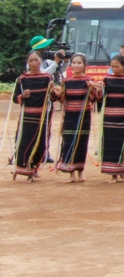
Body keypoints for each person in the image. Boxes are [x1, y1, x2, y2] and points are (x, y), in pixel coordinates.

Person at [52, 53, 100, 183]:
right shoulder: (66, 81)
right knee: (68, 142)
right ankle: (71, 173)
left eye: (79, 63)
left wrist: (92, 89)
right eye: (74, 63)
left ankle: (80, 172)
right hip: (69, 116)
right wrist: (58, 94)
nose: (76, 65)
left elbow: (93, 99)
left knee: (81, 143)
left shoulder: (89, 80)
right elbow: (62, 100)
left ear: (84, 65)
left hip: (83, 116)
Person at [11, 50, 54, 182]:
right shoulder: (22, 79)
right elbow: (14, 98)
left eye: (36, 60)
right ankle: (24, 167)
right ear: (27, 62)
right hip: (27, 116)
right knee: (24, 141)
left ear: (40, 60)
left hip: (42, 116)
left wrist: (53, 90)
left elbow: (53, 98)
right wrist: (22, 96)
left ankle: (34, 167)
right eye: (31, 60)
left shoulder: (47, 78)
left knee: (40, 142)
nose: (34, 63)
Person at [96, 55, 124, 183]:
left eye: (117, 66)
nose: (114, 69)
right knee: (111, 143)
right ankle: (113, 174)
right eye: (112, 66)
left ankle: (122, 169)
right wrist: (97, 89)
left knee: (123, 143)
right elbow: (100, 97)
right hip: (109, 117)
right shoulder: (107, 79)